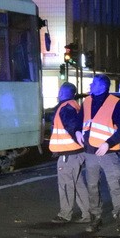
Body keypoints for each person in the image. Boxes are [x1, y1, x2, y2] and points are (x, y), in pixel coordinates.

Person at [76, 74, 120, 235]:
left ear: (102, 86)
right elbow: (80, 122)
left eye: (93, 83)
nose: (90, 85)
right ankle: (95, 219)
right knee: (93, 187)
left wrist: (108, 143)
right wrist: (77, 131)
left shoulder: (115, 103)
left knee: (114, 186)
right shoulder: (87, 101)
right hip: (90, 152)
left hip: (108, 153)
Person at [48, 82, 89, 223]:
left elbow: (71, 125)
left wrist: (75, 133)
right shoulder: (74, 106)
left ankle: (65, 214)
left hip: (68, 154)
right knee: (78, 184)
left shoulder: (65, 108)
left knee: (66, 184)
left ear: (61, 93)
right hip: (76, 152)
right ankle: (87, 214)